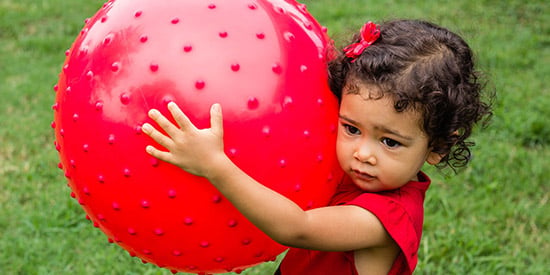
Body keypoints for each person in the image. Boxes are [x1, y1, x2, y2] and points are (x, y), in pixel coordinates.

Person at [141, 19, 493, 275]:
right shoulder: (359, 170)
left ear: (437, 148)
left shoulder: (384, 219)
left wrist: (216, 165)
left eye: (390, 141)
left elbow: (297, 228)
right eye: (351, 128)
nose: (363, 153)